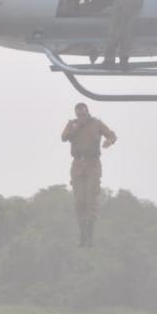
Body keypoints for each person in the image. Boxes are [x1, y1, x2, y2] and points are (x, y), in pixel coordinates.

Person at [61, 102, 117, 247]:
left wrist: (109, 142)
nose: (81, 117)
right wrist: (77, 126)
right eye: (79, 115)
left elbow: (112, 135)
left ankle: (90, 236)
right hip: (78, 163)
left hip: (93, 163)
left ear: (88, 112)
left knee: (91, 197)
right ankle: (83, 235)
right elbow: (64, 137)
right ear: (76, 114)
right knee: (79, 200)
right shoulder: (72, 124)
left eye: (83, 114)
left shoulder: (96, 123)